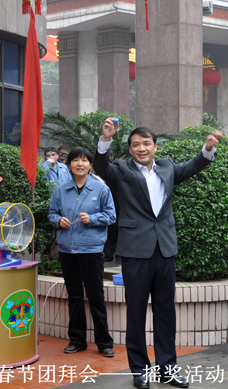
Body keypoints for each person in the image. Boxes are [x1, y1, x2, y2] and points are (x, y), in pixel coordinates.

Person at [93, 118, 222, 389]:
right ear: (130, 149)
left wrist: (208, 148)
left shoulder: (167, 167)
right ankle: (140, 370)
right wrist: (105, 139)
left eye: (146, 143)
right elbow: (102, 167)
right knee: (136, 313)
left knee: (165, 313)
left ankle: (167, 369)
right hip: (135, 252)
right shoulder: (122, 170)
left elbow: (193, 166)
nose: (141, 148)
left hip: (164, 249)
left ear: (155, 146)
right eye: (135, 145)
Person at [48, 147, 116, 358]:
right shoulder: (61, 190)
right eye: (76, 160)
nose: (80, 164)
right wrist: (58, 221)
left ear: (90, 165)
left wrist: (92, 219)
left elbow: (111, 215)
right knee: (75, 296)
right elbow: (52, 214)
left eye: (84, 160)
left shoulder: (101, 189)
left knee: (96, 296)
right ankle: (77, 340)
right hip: (67, 250)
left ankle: (104, 342)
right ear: (69, 165)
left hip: (91, 249)